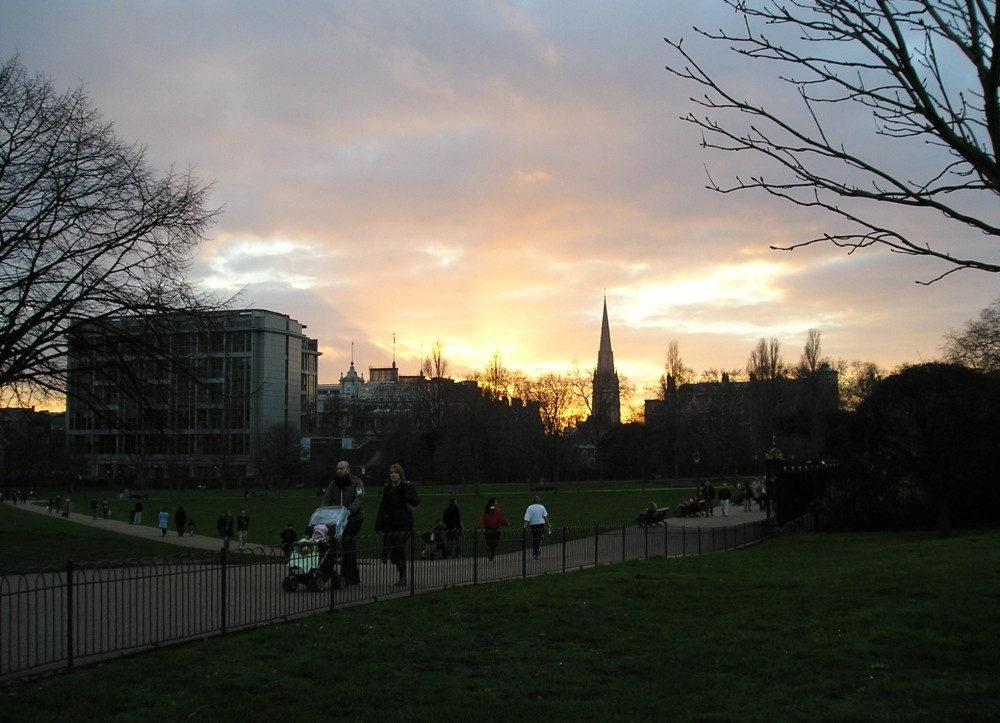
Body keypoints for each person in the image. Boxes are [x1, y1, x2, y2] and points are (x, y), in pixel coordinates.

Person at [374, 463, 420, 587]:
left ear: (400, 474)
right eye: (391, 473)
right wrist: (378, 522)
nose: (393, 474)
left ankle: (403, 576)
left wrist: (407, 494)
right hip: (392, 522)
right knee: (395, 548)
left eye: (396, 472)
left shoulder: (406, 487)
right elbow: (383, 506)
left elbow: (416, 501)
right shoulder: (387, 489)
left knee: (399, 545)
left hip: (405, 522)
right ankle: (396, 565)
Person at [321, 460, 365, 585]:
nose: (339, 470)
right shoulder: (333, 484)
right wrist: (324, 511)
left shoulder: (356, 482)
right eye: (337, 468)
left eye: (342, 468)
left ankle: (347, 575)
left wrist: (350, 510)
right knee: (338, 545)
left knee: (348, 544)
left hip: (354, 519)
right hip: (338, 519)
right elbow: (326, 498)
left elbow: (359, 498)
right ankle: (353, 576)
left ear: (348, 470)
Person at [523, 496, 551, 560]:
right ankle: (536, 553)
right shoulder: (542, 507)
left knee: (535, 539)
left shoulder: (530, 508)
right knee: (539, 539)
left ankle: (535, 552)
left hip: (533, 525)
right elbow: (545, 517)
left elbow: (527, 518)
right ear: (539, 500)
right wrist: (549, 524)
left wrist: (524, 526)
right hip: (541, 524)